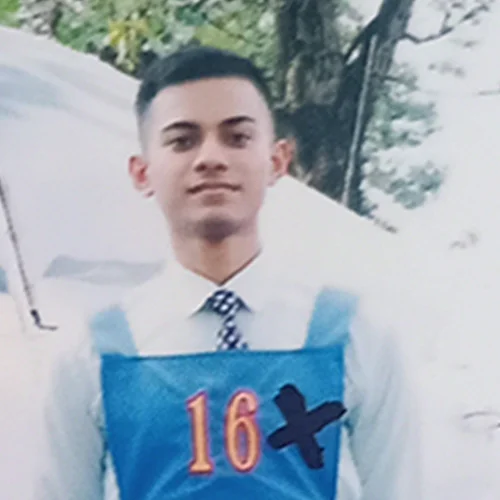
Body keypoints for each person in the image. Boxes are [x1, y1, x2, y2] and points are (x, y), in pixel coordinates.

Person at [37, 46, 421, 499]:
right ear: (142, 172)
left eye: (237, 137)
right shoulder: (93, 353)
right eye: (183, 141)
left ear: (277, 161)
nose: (211, 158)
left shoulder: (356, 335)